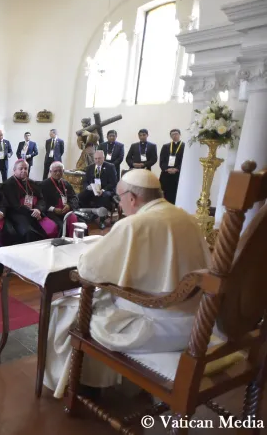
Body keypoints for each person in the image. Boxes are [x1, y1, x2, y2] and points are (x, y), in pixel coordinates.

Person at [43, 169, 211, 399]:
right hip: (195, 323)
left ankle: (83, 383)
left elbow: (87, 269)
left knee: (66, 308)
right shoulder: (187, 217)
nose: (120, 205)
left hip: (152, 329)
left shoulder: (133, 224)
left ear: (132, 198)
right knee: (102, 299)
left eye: (120, 198)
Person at [1, 159, 49, 243]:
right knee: (29, 232)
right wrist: (33, 212)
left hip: (34, 213)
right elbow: (15, 205)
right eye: (21, 168)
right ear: (14, 170)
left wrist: (38, 209)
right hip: (17, 214)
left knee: (48, 229)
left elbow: (42, 199)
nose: (24, 171)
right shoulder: (8, 184)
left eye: (26, 168)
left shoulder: (32, 183)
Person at [77, 151, 117, 229]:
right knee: (81, 196)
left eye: (99, 158)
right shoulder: (89, 168)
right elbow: (85, 181)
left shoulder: (110, 167)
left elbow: (113, 183)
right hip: (92, 189)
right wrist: (88, 187)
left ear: (103, 158)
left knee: (104, 197)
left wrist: (103, 190)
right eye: (95, 159)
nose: (97, 160)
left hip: (105, 190)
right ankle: (88, 215)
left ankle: (102, 220)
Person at [40, 162, 79, 237]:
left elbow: (75, 198)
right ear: (50, 172)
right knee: (60, 227)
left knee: (79, 224)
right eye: (55, 171)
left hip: (66, 211)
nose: (58, 173)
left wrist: (69, 205)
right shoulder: (44, 185)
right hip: (51, 213)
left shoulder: (66, 184)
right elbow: (41, 201)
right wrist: (53, 209)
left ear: (63, 171)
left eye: (60, 171)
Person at [159, 128, 185, 204]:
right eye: (172, 134)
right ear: (170, 136)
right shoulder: (166, 146)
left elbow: (184, 161)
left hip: (178, 175)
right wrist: (167, 169)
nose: (174, 136)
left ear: (179, 135)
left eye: (176, 134)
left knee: (176, 194)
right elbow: (162, 160)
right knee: (164, 194)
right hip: (166, 174)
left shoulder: (184, 146)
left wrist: (177, 169)